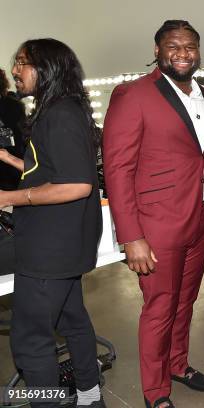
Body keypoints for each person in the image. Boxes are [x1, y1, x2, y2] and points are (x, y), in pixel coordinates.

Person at [103, 20, 204, 408]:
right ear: (158, 51)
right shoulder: (133, 95)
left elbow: (201, 156)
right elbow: (117, 169)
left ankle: (177, 364)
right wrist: (130, 235)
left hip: (201, 221)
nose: (182, 53)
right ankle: (155, 390)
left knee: (185, 303)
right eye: (173, 46)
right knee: (159, 309)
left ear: (198, 52)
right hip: (156, 228)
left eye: (190, 46)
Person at [0, 38, 104, 408]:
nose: (15, 70)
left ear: (46, 69)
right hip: (63, 248)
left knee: (30, 343)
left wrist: (9, 197)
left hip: (48, 250)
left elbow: (76, 184)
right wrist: (11, 162)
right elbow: (52, 169)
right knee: (73, 320)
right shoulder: (62, 110)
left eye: (22, 63)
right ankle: (90, 398)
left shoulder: (58, 115)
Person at [0, 67, 26, 191]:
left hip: (10, 171)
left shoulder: (14, 106)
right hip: (13, 171)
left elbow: (20, 138)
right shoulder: (15, 106)